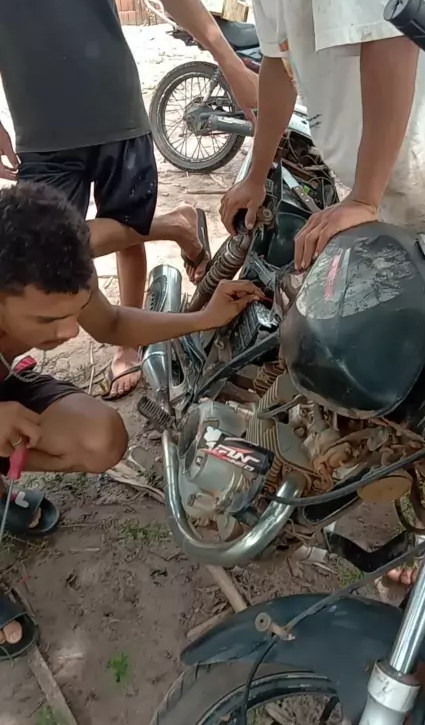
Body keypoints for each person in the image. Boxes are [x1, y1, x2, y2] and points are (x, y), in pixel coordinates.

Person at [99, 0, 425, 586]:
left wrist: (364, 196)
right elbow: (278, 65)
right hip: (392, 177)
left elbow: (391, 35)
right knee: (383, 351)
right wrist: (254, 171)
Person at [0, 0, 257, 402]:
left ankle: (125, 346)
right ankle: (174, 225)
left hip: (116, 106)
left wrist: (228, 60)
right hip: (40, 125)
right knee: (46, 251)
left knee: (125, 228)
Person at [0, 182, 262, 653]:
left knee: (101, 438)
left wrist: (204, 318)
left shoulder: (55, 277)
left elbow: (115, 324)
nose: (68, 331)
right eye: (47, 321)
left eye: (75, 311)